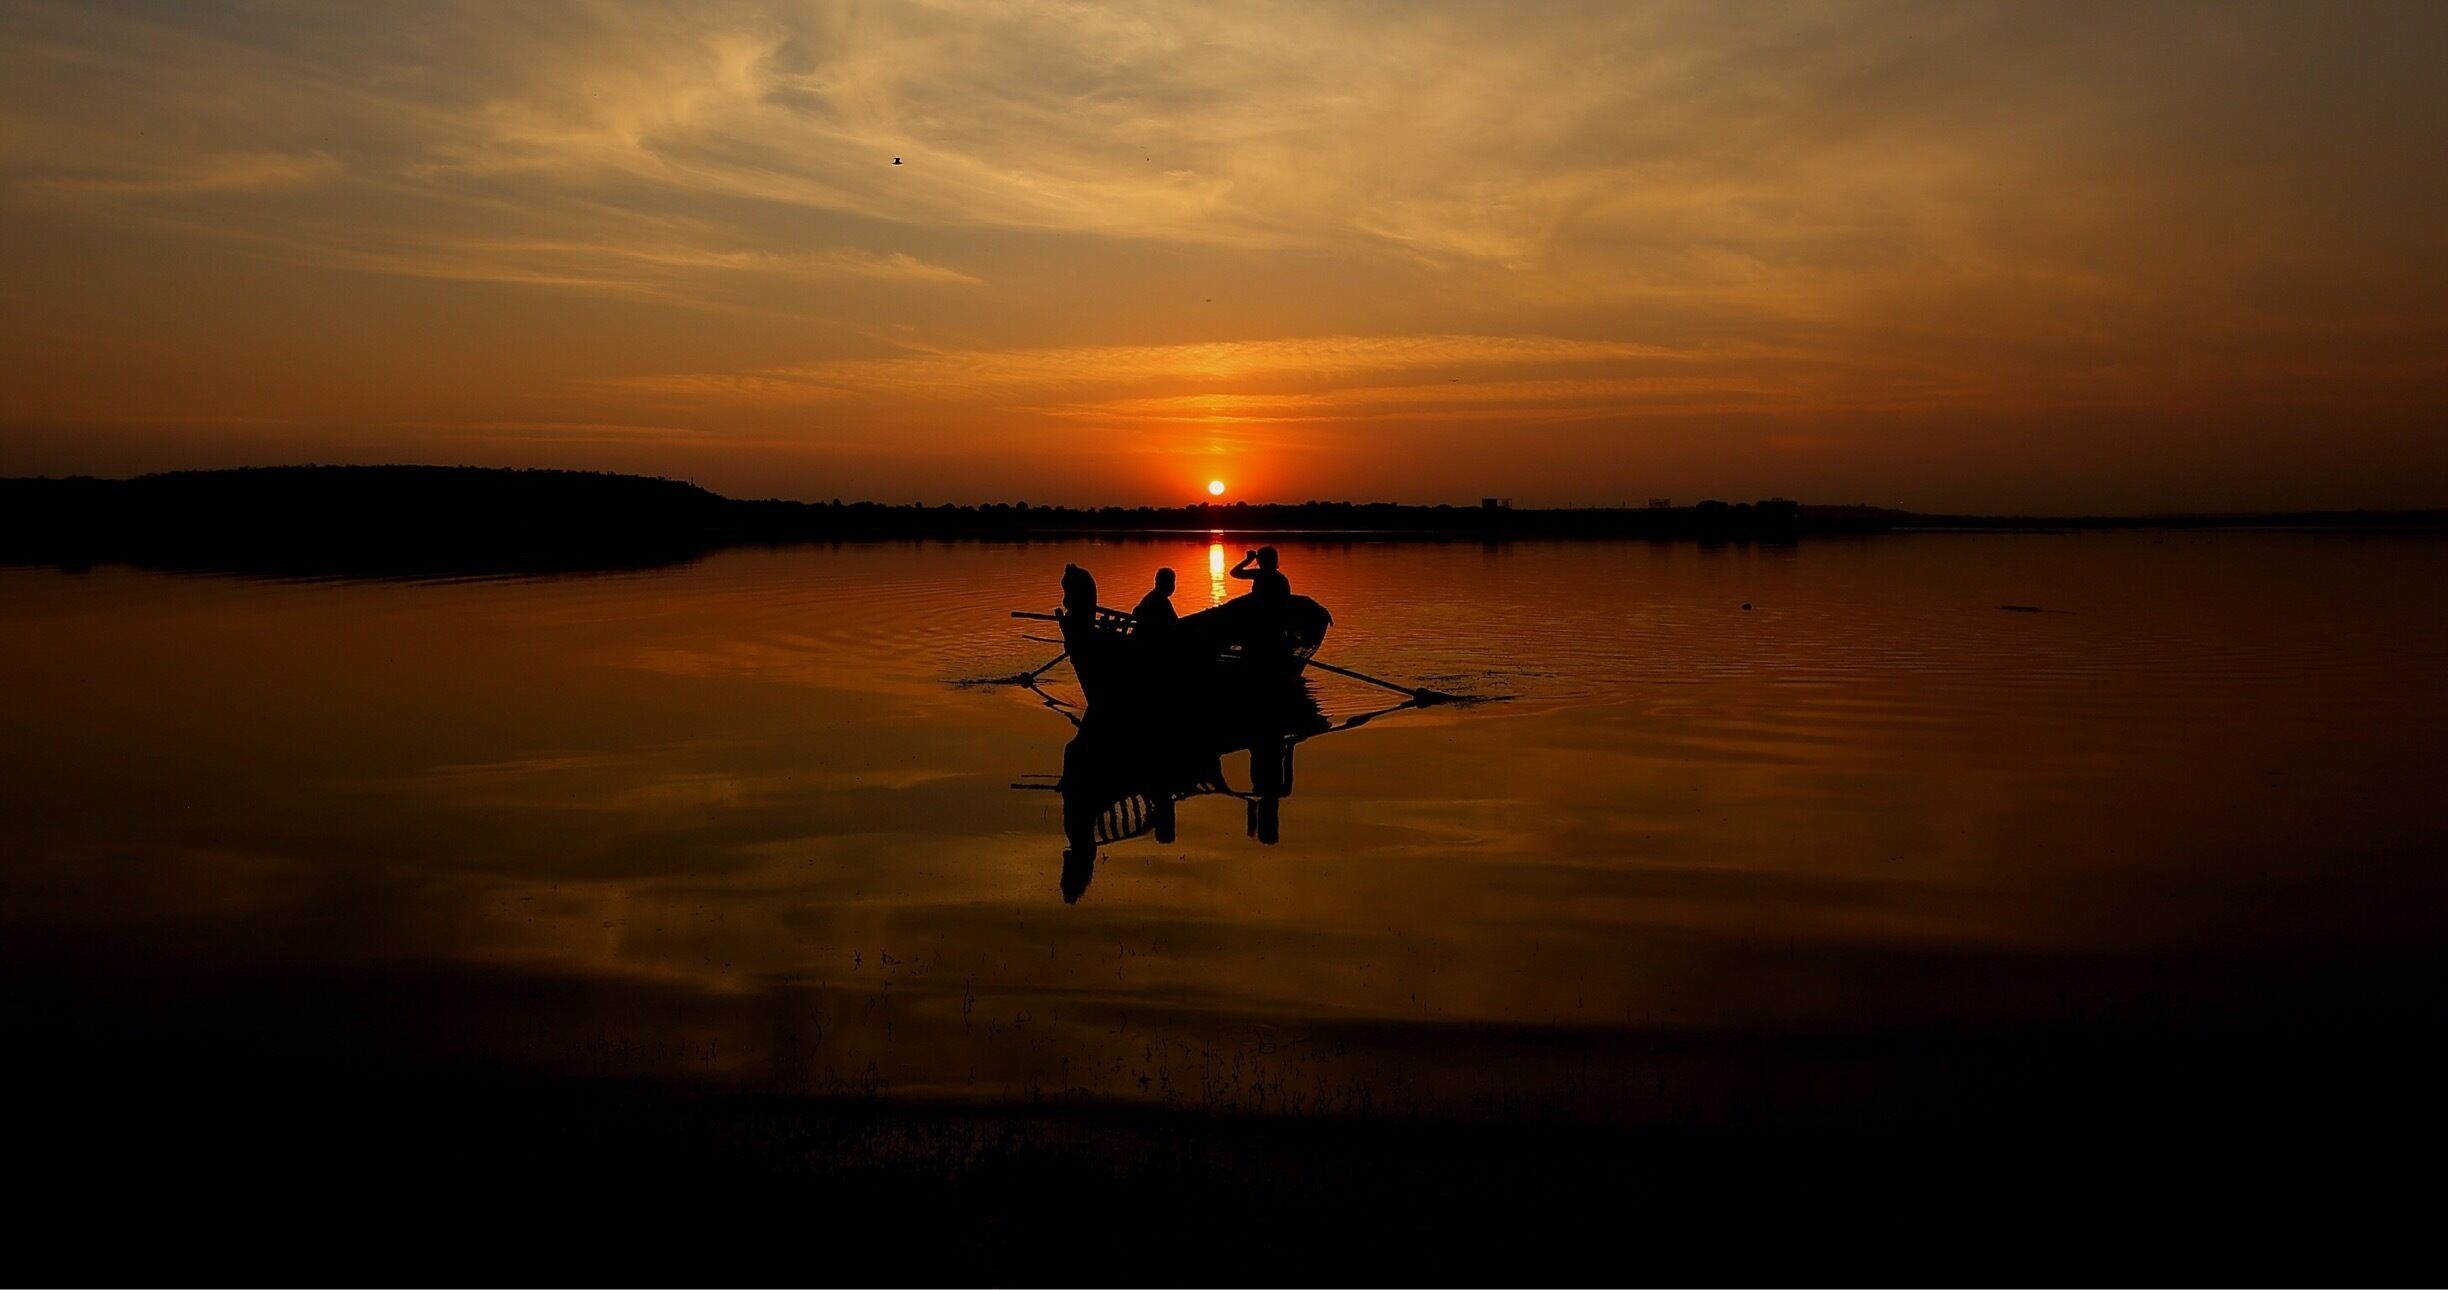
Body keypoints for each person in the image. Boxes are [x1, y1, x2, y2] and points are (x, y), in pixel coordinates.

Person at [1132, 568, 1178, 636]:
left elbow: (1135, 611)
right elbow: (1175, 623)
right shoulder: (1160, 601)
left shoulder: (1151, 596)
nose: (1173, 586)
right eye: (1171, 583)